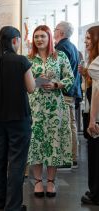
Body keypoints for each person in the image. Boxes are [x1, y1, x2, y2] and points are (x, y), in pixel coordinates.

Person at [0, 26, 35, 211]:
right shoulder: (21, 61)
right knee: (16, 163)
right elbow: (31, 87)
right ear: (14, 40)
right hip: (19, 119)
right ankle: (13, 206)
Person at [27, 25, 74, 198]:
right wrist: (34, 83)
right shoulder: (29, 59)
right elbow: (22, 82)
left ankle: (51, 182)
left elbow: (70, 77)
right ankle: (38, 181)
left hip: (56, 106)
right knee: (36, 141)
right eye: (36, 36)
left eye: (42, 36)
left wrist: (56, 84)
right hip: (35, 107)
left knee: (54, 142)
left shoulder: (60, 56)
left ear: (49, 38)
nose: (39, 39)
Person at [54, 21, 81, 169]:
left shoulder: (61, 48)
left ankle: (69, 158)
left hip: (64, 92)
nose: (53, 31)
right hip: (72, 90)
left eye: (55, 29)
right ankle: (72, 157)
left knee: (67, 125)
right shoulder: (72, 46)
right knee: (71, 124)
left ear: (61, 33)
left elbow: (59, 73)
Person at [79, 25, 99, 206]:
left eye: (88, 38)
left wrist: (92, 120)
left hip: (97, 118)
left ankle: (96, 193)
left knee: (95, 155)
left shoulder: (97, 63)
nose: (85, 41)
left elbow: (96, 93)